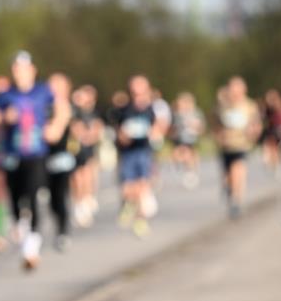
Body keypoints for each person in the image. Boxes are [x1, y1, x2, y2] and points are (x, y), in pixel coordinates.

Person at [0, 51, 51, 269]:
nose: (19, 73)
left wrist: (57, 126)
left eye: (23, 69)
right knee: (15, 199)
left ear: (32, 70)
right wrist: (4, 118)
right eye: (16, 68)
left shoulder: (43, 91)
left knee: (33, 195)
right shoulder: (6, 95)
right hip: (12, 154)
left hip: (36, 153)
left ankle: (32, 244)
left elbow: (61, 109)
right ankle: (22, 226)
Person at [112, 75, 167, 237]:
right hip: (128, 153)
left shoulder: (154, 108)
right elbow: (118, 130)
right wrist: (123, 136)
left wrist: (156, 133)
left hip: (144, 151)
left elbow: (160, 127)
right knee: (128, 188)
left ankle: (140, 220)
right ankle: (129, 204)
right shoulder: (124, 109)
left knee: (143, 186)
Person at [214, 76, 261, 219]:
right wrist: (218, 135)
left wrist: (253, 133)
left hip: (242, 144)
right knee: (228, 174)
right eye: (232, 87)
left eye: (238, 87)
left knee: (238, 169)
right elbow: (215, 122)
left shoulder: (249, 105)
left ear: (244, 89)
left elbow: (256, 123)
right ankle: (230, 190)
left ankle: (236, 199)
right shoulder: (222, 105)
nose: (235, 91)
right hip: (226, 144)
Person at [45, 73, 75, 252]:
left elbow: (55, 132)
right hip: (43, 157)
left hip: (61, 157)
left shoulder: (64, 106)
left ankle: (63, 230)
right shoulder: (42, 104)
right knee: (50, 199)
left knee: (60, 195)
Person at [69, 84, 102, 228]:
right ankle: (79, 202)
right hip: (75, 149)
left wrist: (91, 136)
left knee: (88, 173)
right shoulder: (74, 111)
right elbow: (74, 127)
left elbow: (97, 128)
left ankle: (87, 198)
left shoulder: (93, 112)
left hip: (88, 148)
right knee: (76, 177)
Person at [169, 91, 204, 189]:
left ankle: (190, 171)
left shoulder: (196, 113)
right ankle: (183, 167)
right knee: (178, 154)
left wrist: (195, 127)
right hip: (178, 138)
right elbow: (172, 126)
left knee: (188, 153)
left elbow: (200, 126)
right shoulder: (176, 114)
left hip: (190, 138)